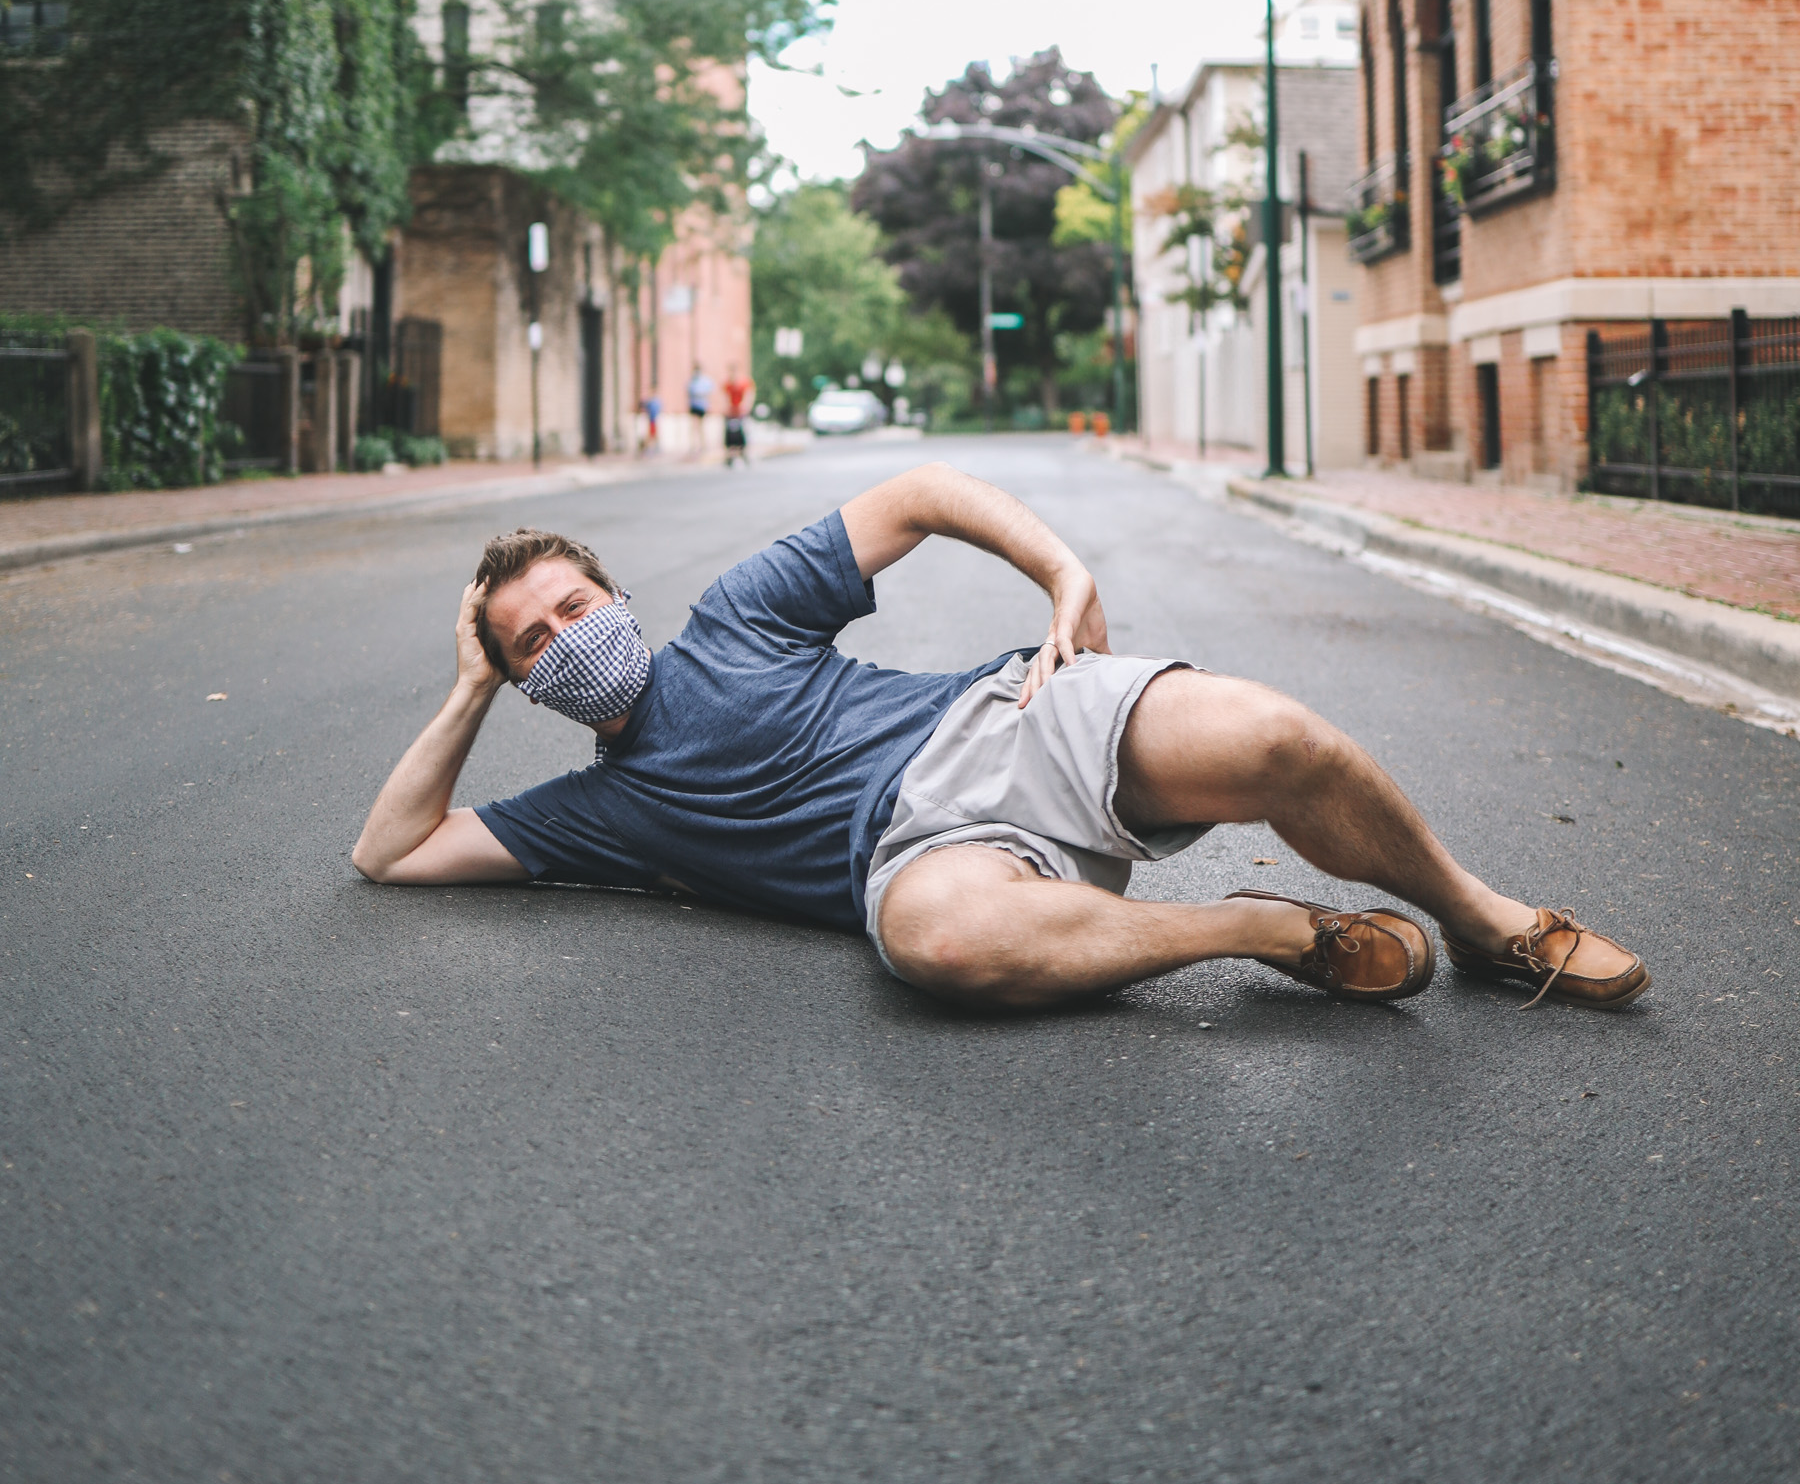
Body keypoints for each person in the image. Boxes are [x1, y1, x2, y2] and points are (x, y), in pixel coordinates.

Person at [350, 467, 1649, 1012]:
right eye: (530, 644)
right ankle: (1263, 930)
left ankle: (1485, 922)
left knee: (1276, 739)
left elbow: (914, 497)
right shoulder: (594, 815)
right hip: (930, 862)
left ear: (617, 600)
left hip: (1005, 722)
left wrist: (1059, 565)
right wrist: (464, 693)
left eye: (574, 607)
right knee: (933, 945)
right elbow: (391, 853)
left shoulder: (734, 620)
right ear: (523, 683)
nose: (563, 639)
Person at [721, 367, 754, 467]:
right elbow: (724, 397)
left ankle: (743, 453)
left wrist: (745, 407)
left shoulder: (744, 384)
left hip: (741, 413)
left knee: (742, 433)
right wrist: (726, 408)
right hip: (731, 413)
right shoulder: (727, 384)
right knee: (729, 435)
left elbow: (749, 395)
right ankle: (729, 455)